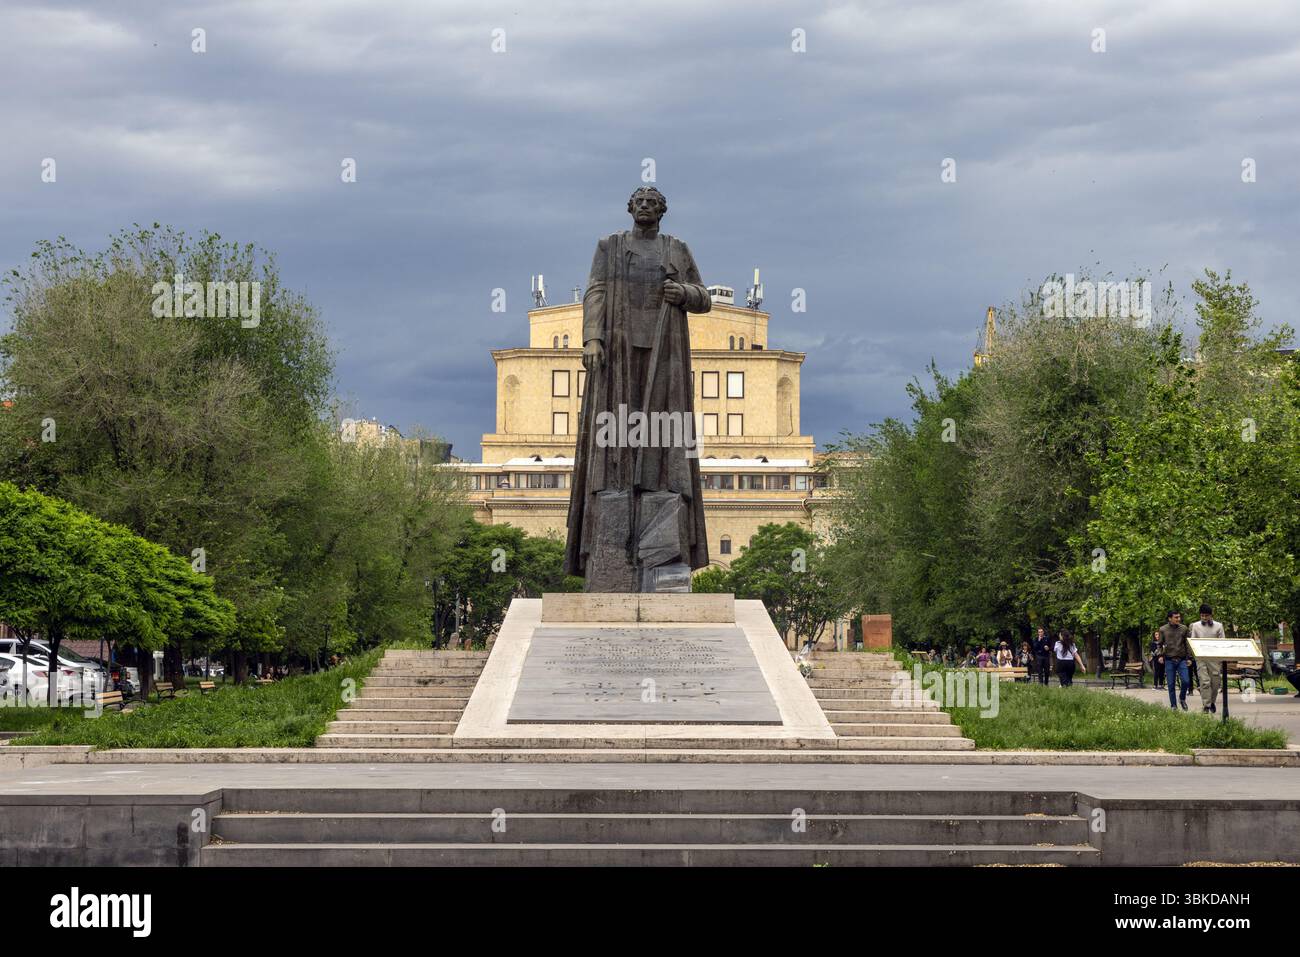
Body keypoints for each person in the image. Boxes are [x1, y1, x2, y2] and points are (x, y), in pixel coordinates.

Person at [1190, 603, 1226, 713]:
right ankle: (1206, 705)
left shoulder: (1219, 626)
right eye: (1202, 616)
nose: (1204, 618)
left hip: (1214, 658)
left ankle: (1212, 702)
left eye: (1206, 616)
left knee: (1215, 683)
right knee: (1204, 682)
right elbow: (1193, 642)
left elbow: (1222, 642)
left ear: (1211, 615)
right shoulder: (1195, 626)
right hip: (1201, 657)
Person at [1158, 610, 1192, 711]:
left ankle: (1182, 698)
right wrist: (1160, 655)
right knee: (1171, 684)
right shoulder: (1163, 629)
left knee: (1186, 681)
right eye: (1176, 617)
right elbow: (1160, 644)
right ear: (1170, 618)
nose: (1178, 619)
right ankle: (1173, 706)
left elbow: (1188, 644)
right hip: (1169, 659)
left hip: (1182, 659)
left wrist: (1189, 658)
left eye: (1179, 617)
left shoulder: (1184, 628)